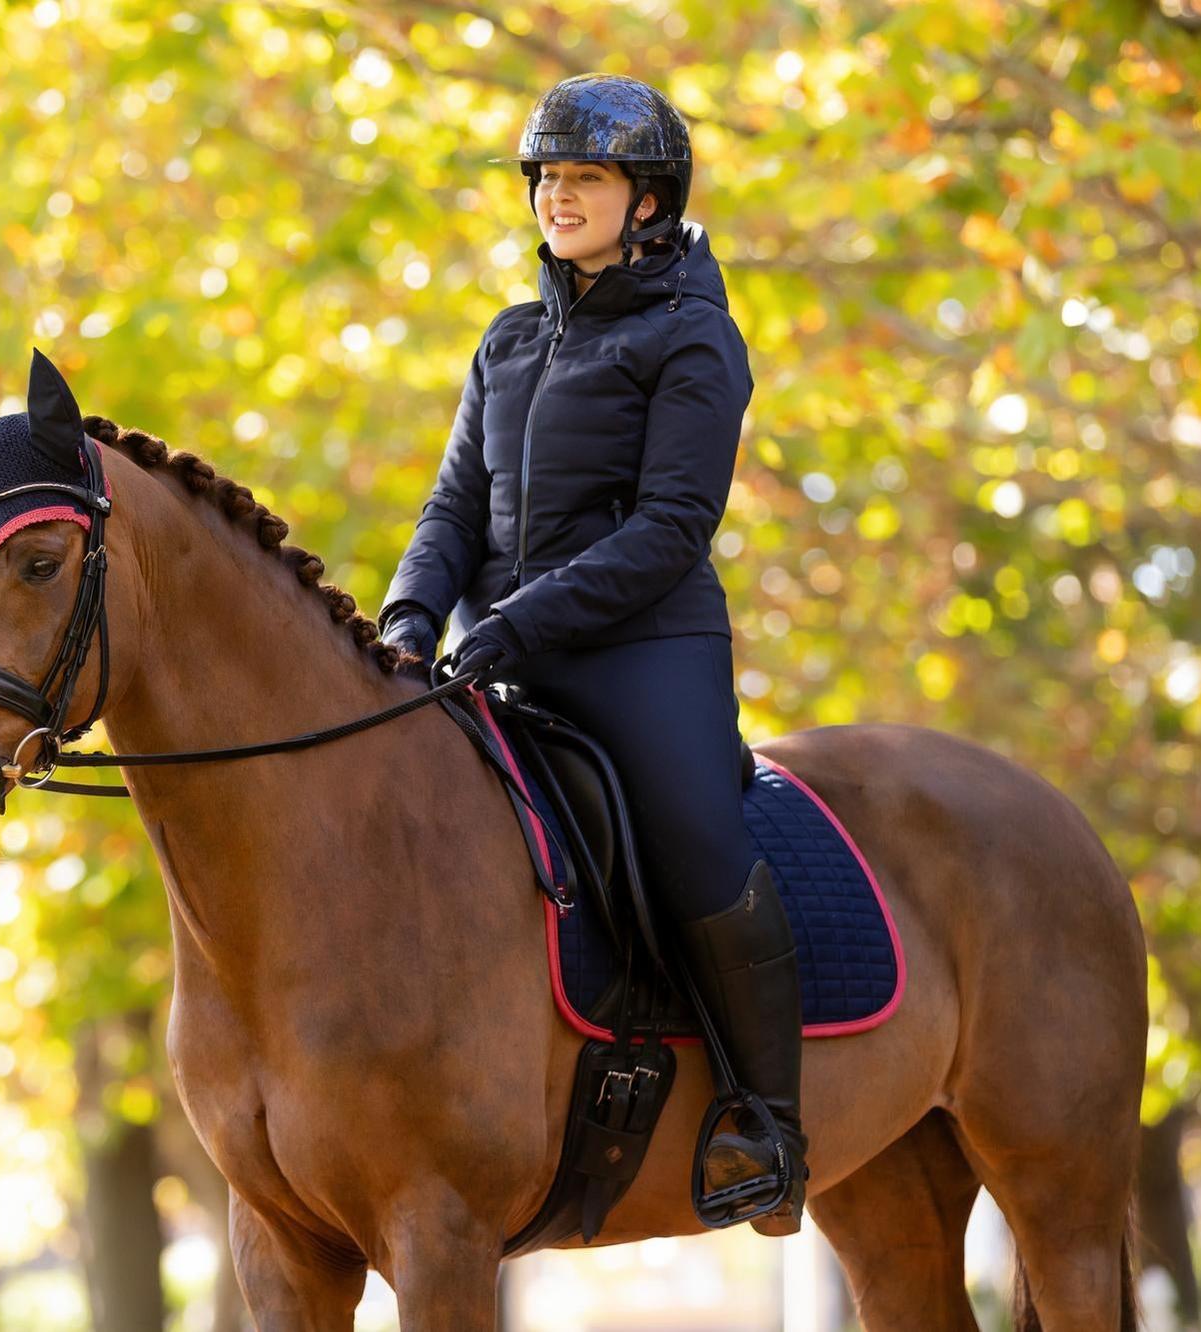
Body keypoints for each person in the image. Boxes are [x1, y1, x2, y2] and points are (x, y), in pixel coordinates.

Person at [376, 73, 809, 1234]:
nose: (559, 198)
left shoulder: (695, 338)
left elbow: (671, 527)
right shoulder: (506, 343)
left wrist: (515, 623)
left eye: (586, 178)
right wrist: (411, 615)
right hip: (494, 652)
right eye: (547, 179)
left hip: (641, 648)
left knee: (693, 840)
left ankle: (768, 1125)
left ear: (648, 199)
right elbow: (451, 509)